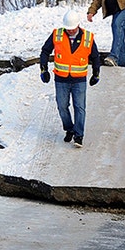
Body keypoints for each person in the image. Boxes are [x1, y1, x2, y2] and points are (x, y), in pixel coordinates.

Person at [40, 9, 102, 147]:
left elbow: (95, 57)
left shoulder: (88, 37)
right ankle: (69, 129)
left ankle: (79, 136)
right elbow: (45, 51)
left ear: (78, 25)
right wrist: (43, 69)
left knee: (79, 107)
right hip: (61, 79)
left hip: (79, 80)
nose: (70, 31)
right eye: (68, 29)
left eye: (72, 29)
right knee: (62, 106)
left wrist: (96, 73)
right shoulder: (57, 35)